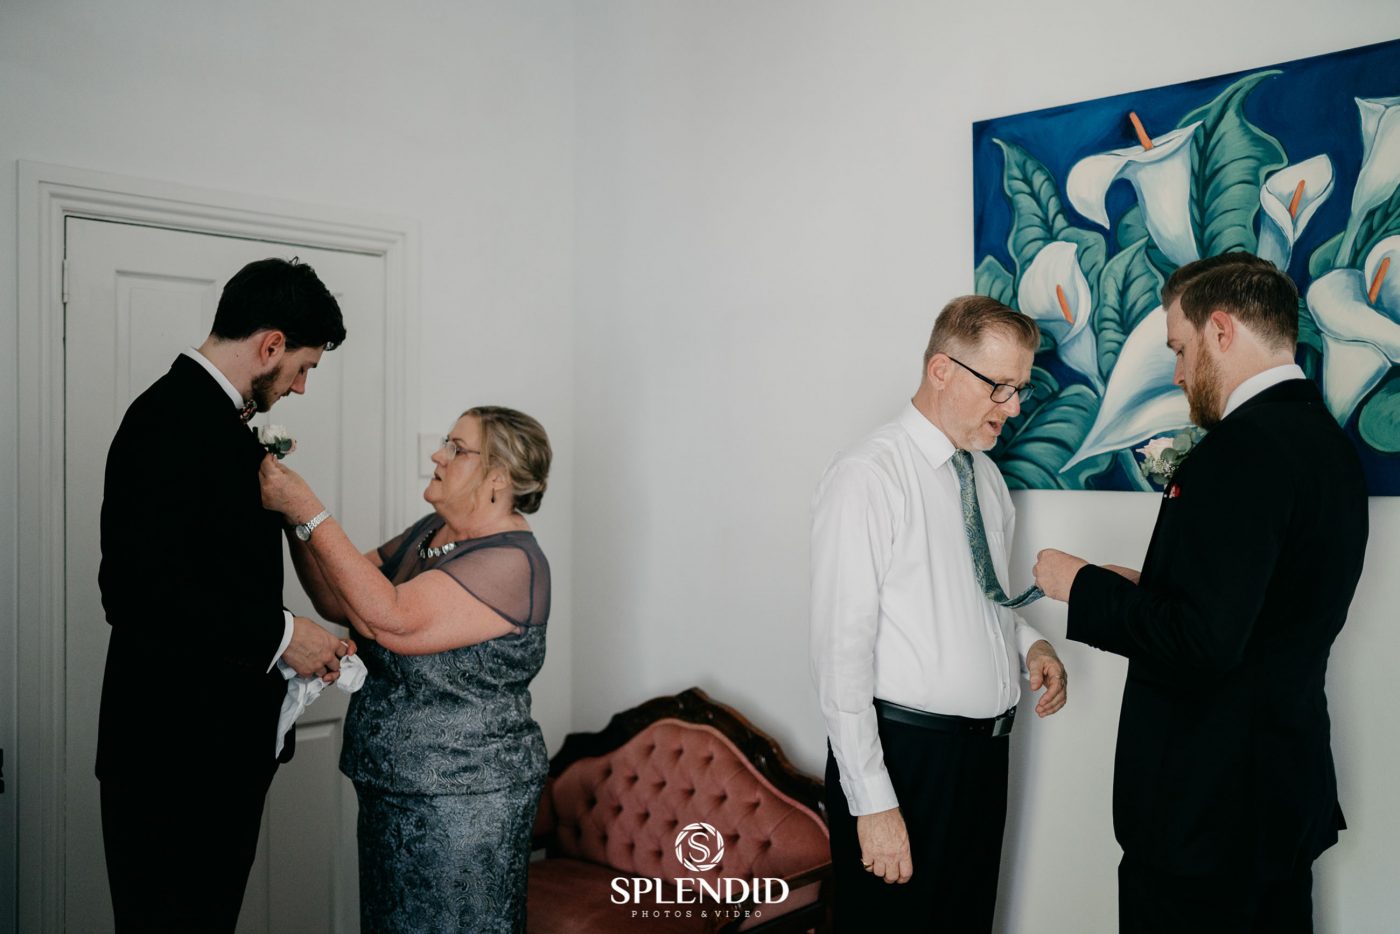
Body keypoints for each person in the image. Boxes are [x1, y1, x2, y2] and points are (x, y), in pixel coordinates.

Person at [1034, 252, 1369, 933]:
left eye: (1179, 350)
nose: (1179, 374)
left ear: (1221, 330)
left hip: (1207, 818)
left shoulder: (1240, 451)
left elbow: (1203, 643)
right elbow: (1262, 603)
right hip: (1278, 797)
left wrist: (1080, 585)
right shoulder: (1327, 445)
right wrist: (1152, 587)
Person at [97, 257, 352, 932]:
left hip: (209, 756)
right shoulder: (168, 419)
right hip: (172, 763)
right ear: (271, 345)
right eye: (303, 367)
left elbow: (206, 573)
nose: (300, 386)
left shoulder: (213, 418)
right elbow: (134, 591)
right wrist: (284, 635)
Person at [810, 294, 1069, 932]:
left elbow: (980, 596)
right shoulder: (868, 475)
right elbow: (840, 655)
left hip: (984, 763)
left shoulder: (986, 478)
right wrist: (872, 802)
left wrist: (1030, 644)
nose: (1012, 407)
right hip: (905, 763)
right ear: (941, 370)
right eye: (999, 386)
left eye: (1020, 389)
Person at [259, 405, 553, 934]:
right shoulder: (434, 531)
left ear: (498, 477)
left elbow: (388, 618)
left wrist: (307, 506)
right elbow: (338, 597)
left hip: (466, 804)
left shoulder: (511, 562)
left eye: (457, 448)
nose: (438, 455)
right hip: (392, 790)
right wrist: (291, 518)